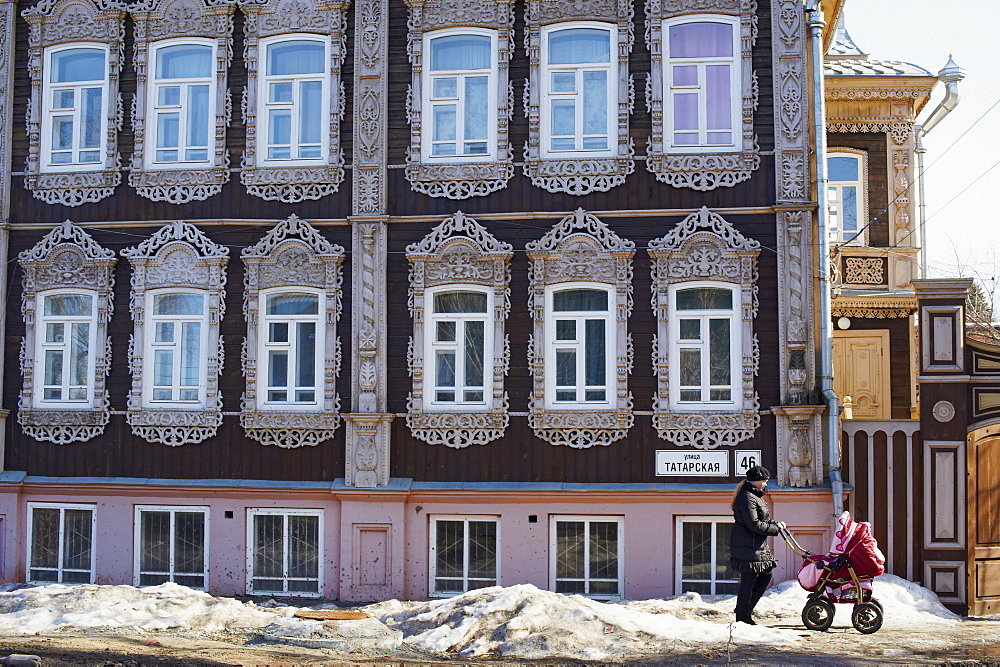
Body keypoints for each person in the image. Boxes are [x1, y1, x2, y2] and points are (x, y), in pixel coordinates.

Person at [730, 465, 785, 625]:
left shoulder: (753, 495)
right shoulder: (747, 497)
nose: (766, 484)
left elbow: (761, 520)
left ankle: (744, 611)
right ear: (755, 481)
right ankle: (743, 616)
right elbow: (753, 524)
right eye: (764, 481)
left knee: (766, 575)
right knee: (750, 579)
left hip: (754, 544)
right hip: (748, 545)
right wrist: (775, 529)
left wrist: (775, 524)